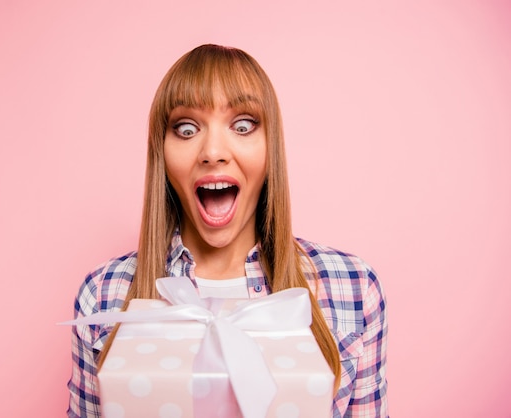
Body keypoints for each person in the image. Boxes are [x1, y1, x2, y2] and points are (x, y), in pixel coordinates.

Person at [67, 44, 388, 417]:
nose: (213, 151)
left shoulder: (352, 288)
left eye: (243, 126)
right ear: (163, 154)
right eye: (186, 129)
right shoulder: (104, 294)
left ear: (271, 149)